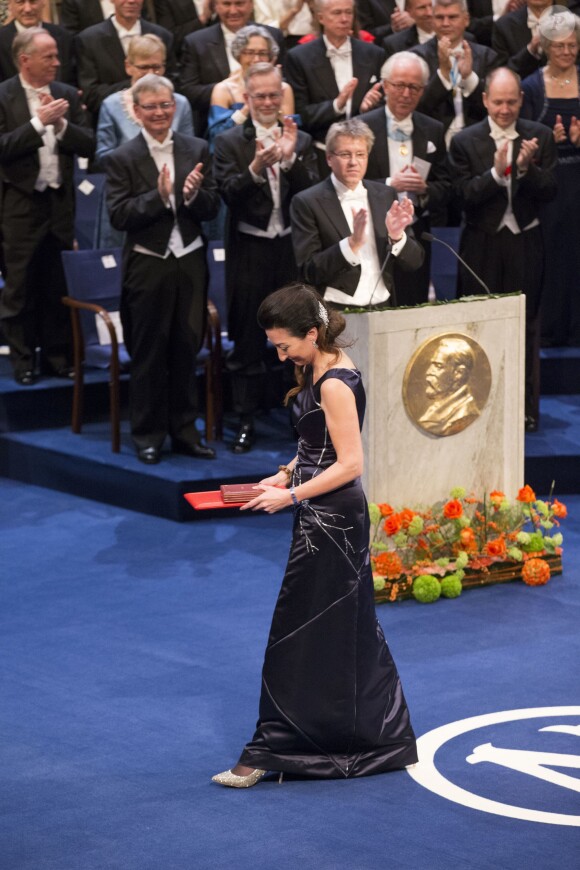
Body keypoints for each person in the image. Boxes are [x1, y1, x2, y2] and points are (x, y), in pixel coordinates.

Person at [211, 283, 418, 787]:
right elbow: (316, 445)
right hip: (320, 514)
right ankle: (370, 736)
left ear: (312, 332)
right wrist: (283, 474)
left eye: (285, 345)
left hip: (334, 521)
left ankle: (271, 748)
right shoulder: (318, 367)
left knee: (297, 634)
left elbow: (351, 464)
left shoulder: (333, 384)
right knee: (338, 631)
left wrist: (291, 495)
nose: (281, 355)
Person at [104, 74, 220, 464]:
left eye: (165, 105)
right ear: (136, 112)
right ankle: (148, 435)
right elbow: (119, 215)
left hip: (189, 261)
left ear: (176, 107)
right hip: (147, 265)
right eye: (150, 106)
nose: (159, 113)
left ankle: (186, 432)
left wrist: (192, 195)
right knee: (149, 352)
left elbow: (212, 207)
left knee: (187, 347)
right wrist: (158, 197)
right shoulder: (121, 157)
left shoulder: (197, 146)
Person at [213, 63, 318, 453]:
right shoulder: (228, 142)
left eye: (275, 95)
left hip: (289, 253)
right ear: (247, 98)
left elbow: (313, 195)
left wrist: (289, 161)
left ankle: (300, 419)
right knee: (246, 340)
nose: (268, 102)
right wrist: (256, 169)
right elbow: (226, 195)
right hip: (249, 251)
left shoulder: (302, 139)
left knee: (298, 340)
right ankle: (244, 420)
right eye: (260, 96)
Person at [449, 67, 557, 431]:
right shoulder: (465, 141)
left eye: (512, 102)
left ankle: (524, 410)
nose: (505, 109)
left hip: (526, 241)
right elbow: (462, 198)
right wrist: (497, 176)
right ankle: (475, 406)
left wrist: (525, 170)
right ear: (485, 100)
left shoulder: (539, 136)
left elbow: (550, 193)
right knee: (475, 326)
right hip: (481, 243)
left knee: (525, 327)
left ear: (521, 100)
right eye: (498, 102)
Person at [0, 28, 95, 386]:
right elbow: (3, 146)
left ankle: (57, 358)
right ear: (25, 60)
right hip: (19, 205)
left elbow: (89, 144)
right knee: (20, 285)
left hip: (60, 204)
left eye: (57, 55)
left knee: (57, 284)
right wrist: (39, 123)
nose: (58, 62)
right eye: (49, 56)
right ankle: (23, 360)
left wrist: (62, 123)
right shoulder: (4, 95)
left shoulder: (67, 94)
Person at [291, 118, 424, 308]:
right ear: (329, 158)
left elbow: (414, 261)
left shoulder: (385, 195)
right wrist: (351, 245)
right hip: (335, 308)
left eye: (360, 154)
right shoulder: (307, 202)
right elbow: (308, 272)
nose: (353, 162)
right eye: (345, 154)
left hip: (384, 304)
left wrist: (397, 237)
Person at [361, 52, 451, 304]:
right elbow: (349, 183)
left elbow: (447, 186)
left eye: (414, 87)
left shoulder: (433, 129)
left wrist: (425, 189)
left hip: (416, 232)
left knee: (414, 303)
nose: (406, 93)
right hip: (373, 232)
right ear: (385, 85)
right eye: (399, 85)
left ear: (423, 90)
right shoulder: (362, 126)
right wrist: (390, 184)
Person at [95, 34, 194, 247]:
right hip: (129, 197)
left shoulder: (180, 104)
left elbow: (190, 151)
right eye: (144, 67)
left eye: (157, 68)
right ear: (128, 66)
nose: (151, 74)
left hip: (173, 199)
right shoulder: (111, 105)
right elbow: (103, 156)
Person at [521, 10, 580, 346]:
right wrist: (549, 142)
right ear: (545, 47)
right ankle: (552, 330)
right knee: (552, 257)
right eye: (560, 46)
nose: (567, 52)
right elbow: (526, 142)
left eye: (572, 45)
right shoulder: (531, 86)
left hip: (579, 183)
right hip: (549, 187)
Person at [285, 0, 386, 177]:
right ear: (321, 17)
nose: (344, 19)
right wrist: (336, 105)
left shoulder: (374, 54)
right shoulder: (299, 57)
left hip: (366, 156)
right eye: (337, 13)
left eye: (348, 13)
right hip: (321, 155)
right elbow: (300, 115)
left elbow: (385, 105)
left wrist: (365, 110)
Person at [180, 0, 286, 136]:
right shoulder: (196, 41)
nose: (233, 10)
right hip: (217, 127)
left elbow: (283, 78)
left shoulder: (273, 35)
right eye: (226, 4)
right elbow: (189, 91)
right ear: (215, 6)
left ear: (251, 4)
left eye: (239, 3)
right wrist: (230, 87)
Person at [411, 0, 499, 147]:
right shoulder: (415, 58)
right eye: (439, 17)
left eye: (452, 17)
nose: (445, 23)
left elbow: (496, 109)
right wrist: (443, 75)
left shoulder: (487, 57)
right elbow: (416, 109)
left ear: (466, 20)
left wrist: (469, 77)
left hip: (478, 144)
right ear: (432, 20)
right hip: (431, 144)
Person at [75, 0, 176, 124]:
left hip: (160, 122)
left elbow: (173, 83)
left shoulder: (163, 36)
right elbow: (90, 95)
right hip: (110, 124)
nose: (131, 1)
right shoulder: (89, 40)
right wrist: (137, 84)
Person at [208, 24, 295, 147]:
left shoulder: (284, 88)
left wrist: (274, 95)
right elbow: (216, 136)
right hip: (236, 151)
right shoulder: (223, 89)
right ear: (238, 55)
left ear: (271, 57)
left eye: (263, 53)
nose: (256, 59)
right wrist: (248, 106)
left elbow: (291, 131)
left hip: (276, 147)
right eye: (249, 53)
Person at [0, 0, 76, 85]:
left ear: (43, 3)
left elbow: (71, 80)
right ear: (10, 6)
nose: (28, 9)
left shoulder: (63, 36)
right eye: (20, 2)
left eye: (33, 2)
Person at [418, 336, 481, 434]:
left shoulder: (465, 414)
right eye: (431, 365)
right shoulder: (439, 406)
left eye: (438, 366)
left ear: (459, 373)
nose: (428, 372)